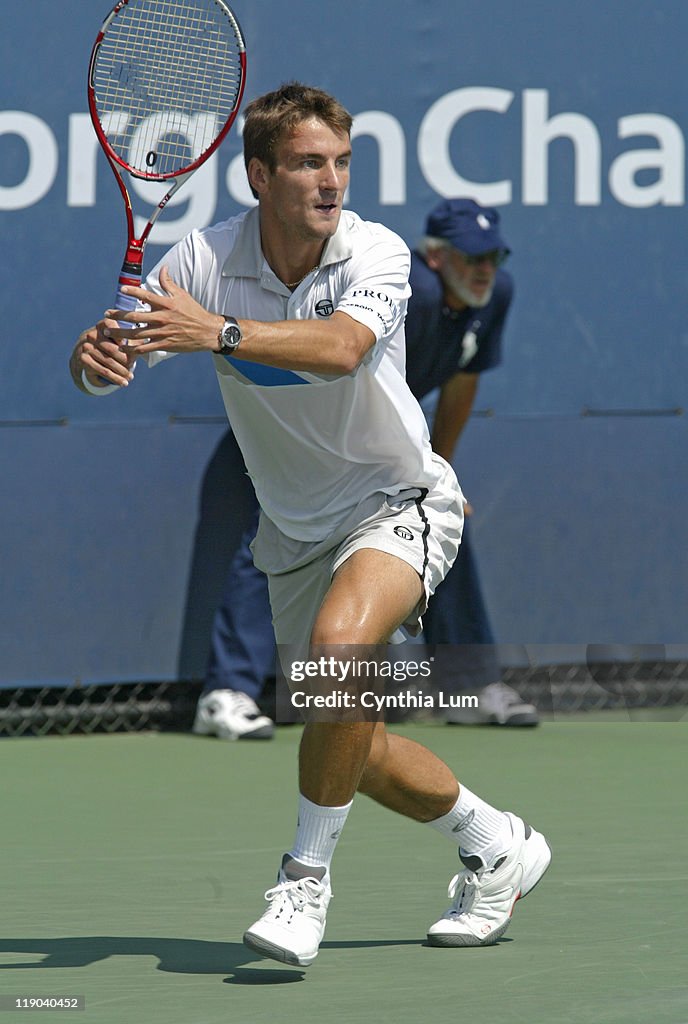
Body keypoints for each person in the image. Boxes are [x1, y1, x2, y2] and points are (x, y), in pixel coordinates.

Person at [70, 82, 550, 966]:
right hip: (292, 532)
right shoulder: (202, 260)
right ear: (260, 175)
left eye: (341, 162)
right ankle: (497, 845)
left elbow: (341, 351)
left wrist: (214, 334)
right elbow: (107, 366)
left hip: (393, 498)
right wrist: (97, 359)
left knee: (337, 659)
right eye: (306, 164)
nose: (330, 182)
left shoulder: (378, 252)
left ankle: (303, 883)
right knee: (349, 739)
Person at [193, 198, 538, 738]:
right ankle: (227, 693)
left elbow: (463, 380)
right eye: (471, 257)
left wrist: (440, 466)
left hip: (370, 442)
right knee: (278, 536)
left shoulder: (495, 294)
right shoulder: (415, 296)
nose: (484, 269)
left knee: (440, 513)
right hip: (292, 424)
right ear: (435, 258)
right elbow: (330, 353)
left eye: (493, 255)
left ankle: (469, 684)